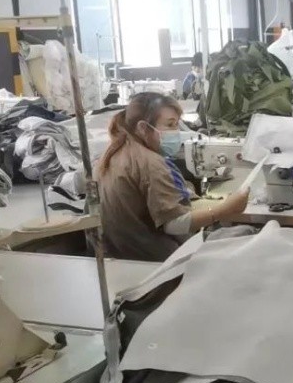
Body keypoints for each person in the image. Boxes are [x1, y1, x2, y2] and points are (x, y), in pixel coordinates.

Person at [96, 92, 248, 262]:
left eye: (176, 124)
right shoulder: (150, 162)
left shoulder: (113, 154)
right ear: (143, 128)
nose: (176, 132)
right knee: (247, 236)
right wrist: (225, 209)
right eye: (170, 125)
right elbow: (174, 224)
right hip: (156, 258)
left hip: (121, 255)